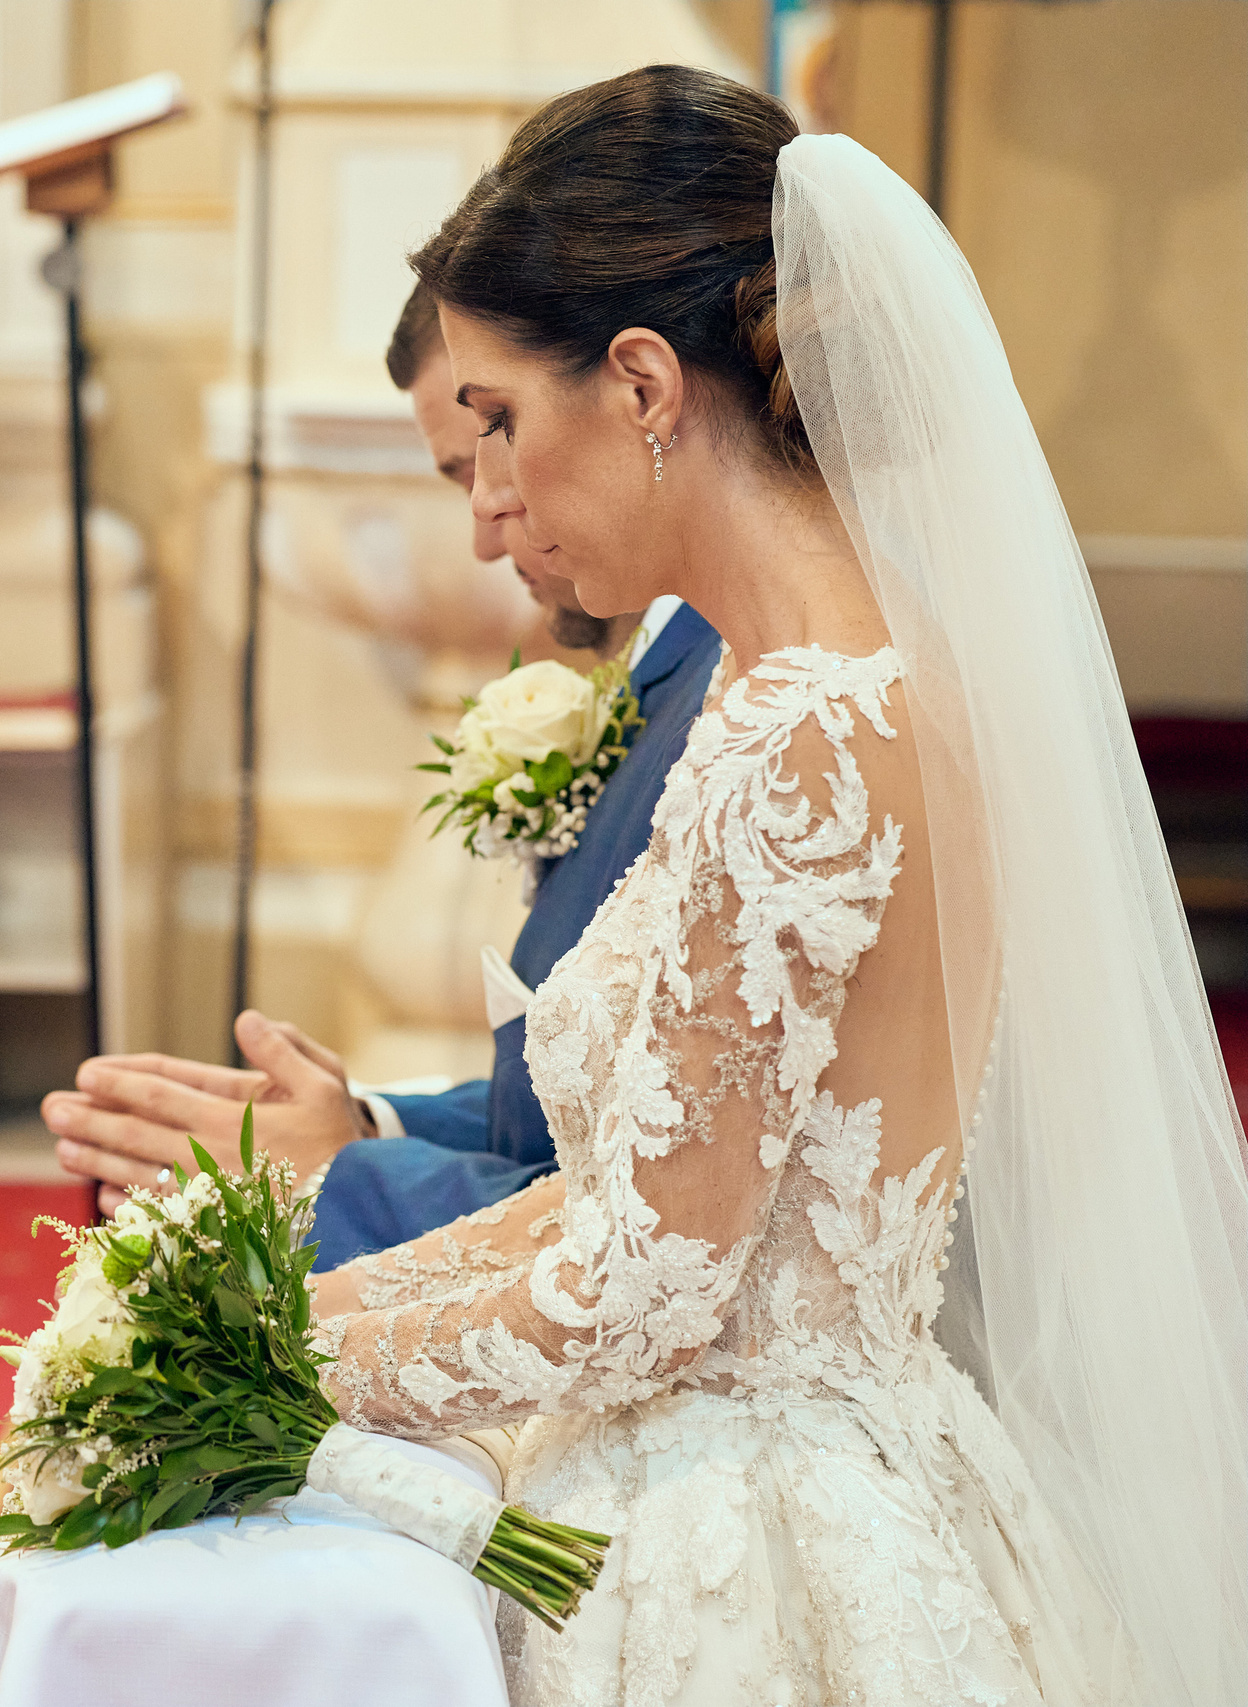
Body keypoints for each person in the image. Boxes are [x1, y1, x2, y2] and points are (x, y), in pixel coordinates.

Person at [294, 65, 1247, 1703]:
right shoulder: (854, 675)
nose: (492, 501)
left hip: (735, 1531)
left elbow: (647, 1286)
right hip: (829, 1453)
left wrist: (293, 1361)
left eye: (506, 418)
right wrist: (310, 1286)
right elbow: (647, 1193)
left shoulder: (799, 729)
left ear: (645, 383)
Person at [42, 283, 724, 1268]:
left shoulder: (741, 713)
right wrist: (363, 1125)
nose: (487, 525)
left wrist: (341, 1171)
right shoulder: (675, 667)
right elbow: (578, 1110)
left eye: (499, 429)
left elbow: (673, 1219)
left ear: (641, 391)